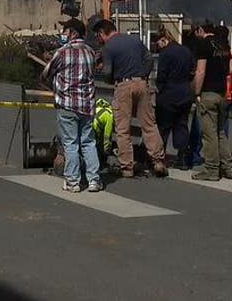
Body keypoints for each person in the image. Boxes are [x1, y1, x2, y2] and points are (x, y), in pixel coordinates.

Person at [92, 19, 168, 178]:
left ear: (102, 32)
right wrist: (143, 76)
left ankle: (127, 167)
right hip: (141, 83)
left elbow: (106, 73)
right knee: (149, 125)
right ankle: (158, 161)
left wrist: (112, 80)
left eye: (98, 36)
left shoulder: (108, 48)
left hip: (123, 85)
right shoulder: (134, 40)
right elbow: (148, 59)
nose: (98, 39)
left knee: (122, 128)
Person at [43, 18, 102, 192]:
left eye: (65, 30)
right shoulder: (90, 52)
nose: (63, 34)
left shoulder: (62, 52)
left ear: (73, 33)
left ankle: (73, 181)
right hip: (87, 105)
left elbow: (46, 72)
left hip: (67, 105)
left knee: (70, 143)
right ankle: (94, 180)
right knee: (88, 142)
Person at [191, 21, 232, 181]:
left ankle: (211, 169)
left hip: (208, 92)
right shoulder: (223, 45)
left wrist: (196, 92)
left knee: (209, 134)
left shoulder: (204, 45)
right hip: (222, 93)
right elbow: (230, 69)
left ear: (202, 30)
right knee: (221, 132)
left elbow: (200, 71)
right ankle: (228, 167)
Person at [154, 27, 195, 170]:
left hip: (168, 94)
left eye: (158, 43)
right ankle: (182, 158)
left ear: (164, 40)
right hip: (185, 92)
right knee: (182, 125)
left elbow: (161, 76)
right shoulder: (186, 51)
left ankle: (160, 158)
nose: (158, 46)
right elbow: (192, 72)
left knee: (163, 127)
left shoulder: (165, 54)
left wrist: (159, 89)